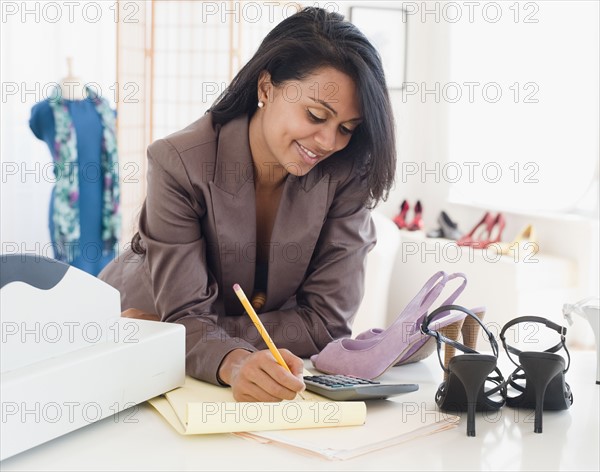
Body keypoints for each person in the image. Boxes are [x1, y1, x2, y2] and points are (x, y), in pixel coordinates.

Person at [99, 6, 396, 402]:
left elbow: (327, 324)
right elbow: (184, 313)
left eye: (345, 128)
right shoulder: (179, 162)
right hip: (135, 331)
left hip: (186, 341)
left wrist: (211, 338)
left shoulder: (346, 174)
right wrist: (224, 354)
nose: (328, 142)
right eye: (315, 115)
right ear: (266, 88)